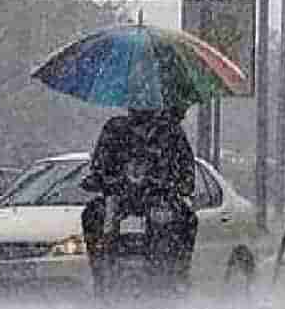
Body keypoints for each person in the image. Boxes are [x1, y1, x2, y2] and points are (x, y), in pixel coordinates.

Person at [80, 104, 199, 295]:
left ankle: (177, 274)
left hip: (160, 199)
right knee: (92, 214)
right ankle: (101, 274)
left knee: (187, 219)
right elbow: (99, 166)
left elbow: (186, 170)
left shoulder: (170, 131)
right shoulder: (115, 129)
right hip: (118, 198)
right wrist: (100, 180)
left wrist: (177, 184)